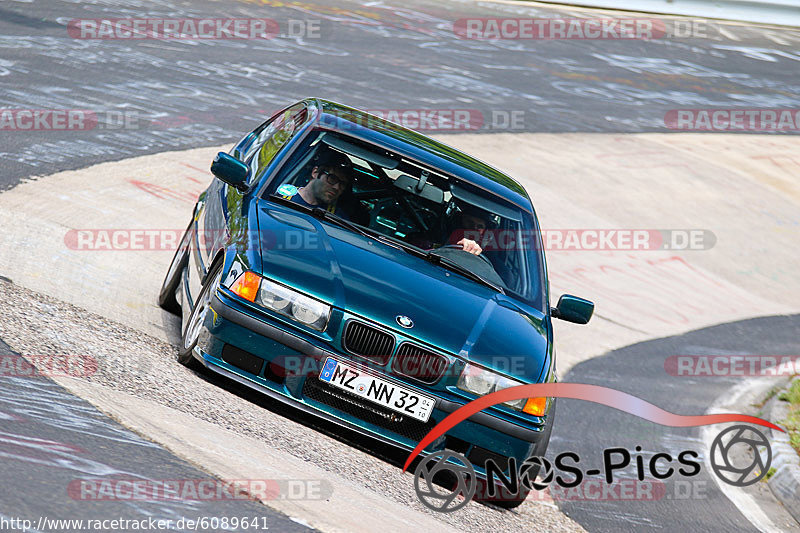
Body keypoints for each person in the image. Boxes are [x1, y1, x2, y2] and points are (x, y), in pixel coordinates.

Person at [278, 149, 354, 219]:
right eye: (332, 179)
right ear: (315, 172)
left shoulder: (337, 218)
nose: (337, 187)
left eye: (342, 184)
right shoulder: (281, 195)